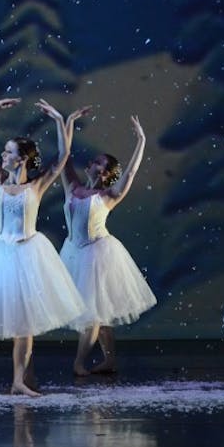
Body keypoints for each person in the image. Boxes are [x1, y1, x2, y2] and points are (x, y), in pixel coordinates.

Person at [0, 98, 85, 397]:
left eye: (8, 152)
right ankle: (22, 379)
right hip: (1, 257)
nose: (3, 155)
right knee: (20, 325)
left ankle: (20, 380)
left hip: (28, 254)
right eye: (4, 150)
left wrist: (60, 121)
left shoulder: (36, 186)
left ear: (21, 159)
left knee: (24, 326)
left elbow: (63, 155)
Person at [61, 112, 155, 376]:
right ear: (90, 166)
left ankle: (79, 363)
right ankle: (109, 360)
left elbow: (132, 172)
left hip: (96, 254)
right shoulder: (72, 187)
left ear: (107, 175)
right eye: (97, 163)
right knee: (99, 314)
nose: (98, 168)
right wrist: (65, 124)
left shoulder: (108, 196)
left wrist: (142, 140)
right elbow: (64, 156)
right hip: (73, 252)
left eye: (104, 167)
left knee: (92, 314)